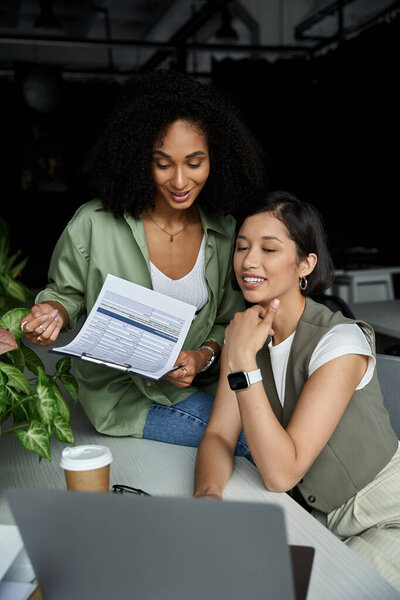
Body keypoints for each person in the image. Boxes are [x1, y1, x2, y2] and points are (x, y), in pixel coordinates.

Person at [19, 69, 267, 447]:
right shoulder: (94, 223)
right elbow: (65, 294)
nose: (180, 181)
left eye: (195, 163)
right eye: (163, 163)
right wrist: (52, 312)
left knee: (275, 433)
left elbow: (228, 321)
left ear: (216, 160)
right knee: (256, 443)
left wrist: (202, 357)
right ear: (138, 160)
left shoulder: (228, 231)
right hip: (124, 395)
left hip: (202, 385)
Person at [193, 191, 400, 590]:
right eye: (241, 248)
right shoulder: (243, 332)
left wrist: (243, 364)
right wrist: (207, 496)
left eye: (269, 249)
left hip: (387, 515)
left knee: (312, 590)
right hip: (315, 518)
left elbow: (282, 473)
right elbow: (219, 434)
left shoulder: (340, 342)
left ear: (306, 264)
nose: (249, 261)